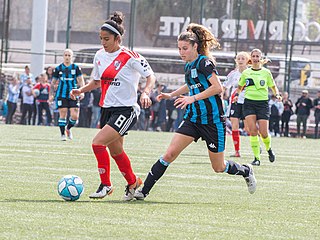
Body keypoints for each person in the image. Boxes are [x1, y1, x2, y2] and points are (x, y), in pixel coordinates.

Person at [133, 23, 256, 201]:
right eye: (179, 49)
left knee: (219, 167)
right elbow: (190, 84)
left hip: (213, 121)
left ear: (195, 46)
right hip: (193, 119)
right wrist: (172, 94)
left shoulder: (205, 63)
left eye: (185, 48)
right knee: (169, 154)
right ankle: (143, 191)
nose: (181, 52)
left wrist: (192, 98)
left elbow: (217, 88)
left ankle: (246, 170)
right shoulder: (188, 65)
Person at [70, 11, 156, 201]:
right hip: (106, 109)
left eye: (107, 39)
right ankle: (134, 184)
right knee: (116, 152)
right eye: (101, 38)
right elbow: (96, 82)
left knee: (97, 143)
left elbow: (151, 76)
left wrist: (146, 92)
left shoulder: (130, 56)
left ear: (118, 38)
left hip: (126, 110)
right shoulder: (99, 56)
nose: (103, 42)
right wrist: (81, 90)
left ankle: (105, 184)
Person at [234, 48, 281, 166]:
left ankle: (269, 149)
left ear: (260, 58)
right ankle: (256, 158)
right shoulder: (246, 73)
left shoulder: (266, 72)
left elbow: (273, 86)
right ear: (251, 58)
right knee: (253, 131)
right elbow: (240, 87)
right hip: (249, 103)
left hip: (263, 104)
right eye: (253, 56)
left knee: (264, 132)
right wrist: (236, 96)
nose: (255, 58)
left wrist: (278, 95)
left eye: (257, 56)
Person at [50, 49, 85, 140]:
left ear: (71, 57)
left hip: (74, 94)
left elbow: (80, 80)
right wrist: (51, 94)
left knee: (75, 116)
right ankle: (62, 135)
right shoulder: (58, 68)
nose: (67, 57)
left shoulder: (76, 68)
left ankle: (68, 128)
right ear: (63, 56)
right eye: (65, 55)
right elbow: (53, 83)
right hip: (61, 94)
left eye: (69, 55)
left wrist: (82, 91)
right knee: (63, 113)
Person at [223, 51, 250, 157]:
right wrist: (221, 97)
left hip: (247, 102)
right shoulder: (233, 74)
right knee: (234, 126)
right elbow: (224, 87)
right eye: (238, 58)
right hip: (235, 102)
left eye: (243, 58)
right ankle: (237, 151)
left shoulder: (251, 73)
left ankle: (257, 146)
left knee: (248, 128)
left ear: (247, 60)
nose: (240, 61)